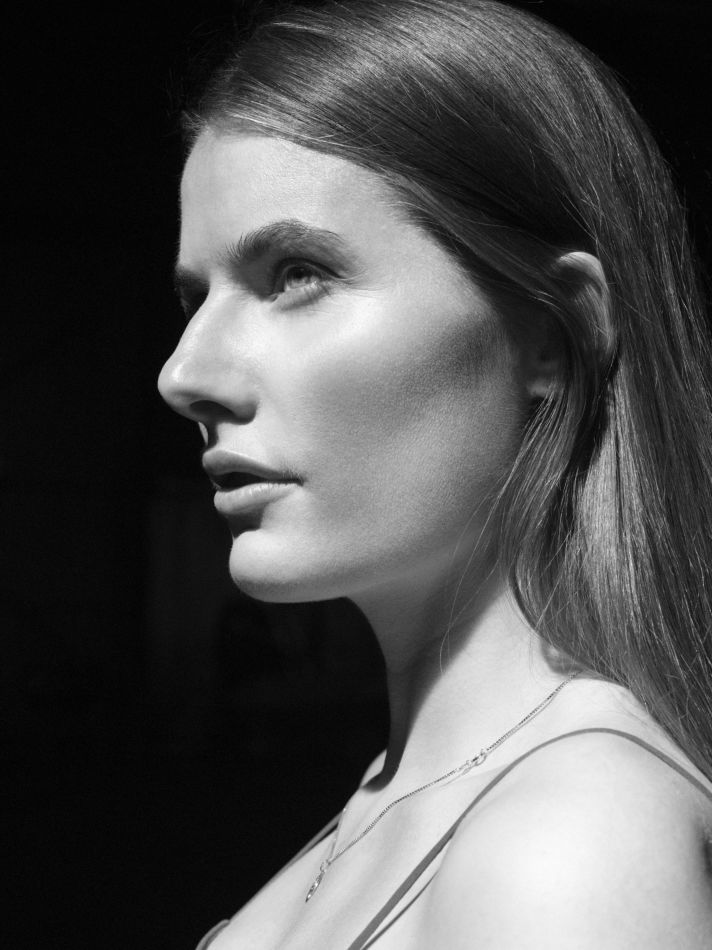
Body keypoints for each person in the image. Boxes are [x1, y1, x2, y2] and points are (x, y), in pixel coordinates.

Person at [158, 0, 712, 946]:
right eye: (194, 296)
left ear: (554, 332)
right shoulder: (419, 786)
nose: (183, 375)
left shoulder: (568, 846)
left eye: (296, 274)